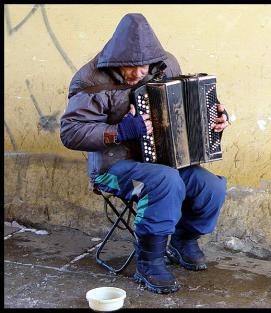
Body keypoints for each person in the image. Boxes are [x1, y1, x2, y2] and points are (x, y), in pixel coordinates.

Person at [60, 13, 229, 294]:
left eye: (144, 66)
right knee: (164, 181)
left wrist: (215, 120)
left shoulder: (166, 65)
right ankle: (149, 262)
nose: (139, 73)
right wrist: (121, 130)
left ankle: (183, 240)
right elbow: (70, 133)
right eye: (131, 67)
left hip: (163, 160)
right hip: (112, 169)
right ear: (116, 60)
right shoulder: (90, 80)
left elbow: (184, 106)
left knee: (210, 186)